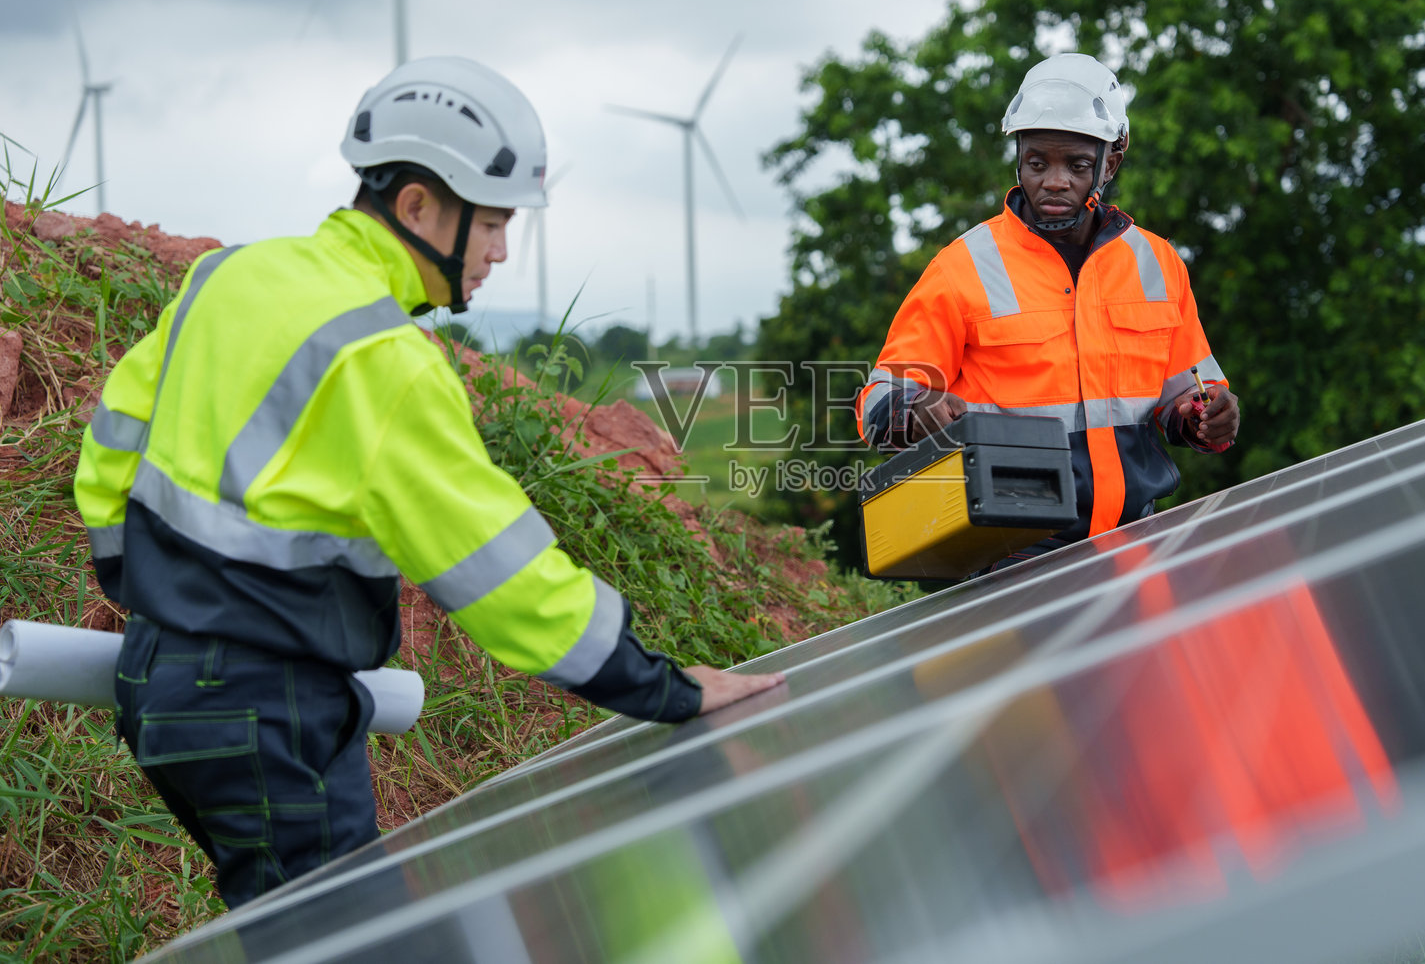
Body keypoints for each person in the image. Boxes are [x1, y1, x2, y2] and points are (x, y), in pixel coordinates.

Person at [73, 56, 782, 907]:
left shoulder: (228, 276)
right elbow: (498, 569)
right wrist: (661, 684)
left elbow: (112, 442)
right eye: (490, 223)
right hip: (269, 710)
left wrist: (141, 586)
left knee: (297, 925)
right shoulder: (383, 355)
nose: (502, 251)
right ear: (418, 206)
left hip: (162, 680)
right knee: (342, 938)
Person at [856, 53, 1240, 567]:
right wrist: (915, 410)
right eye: (1037, 162)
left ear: (1111, 161)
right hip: (1010, 553)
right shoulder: (962, 268)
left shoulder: (1158, 263)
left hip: (1137, 542)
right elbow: (878, 402)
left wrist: (1205, 416)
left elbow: (1188, 395)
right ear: (1019, 158)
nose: (1054, 181)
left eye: (1077, 165)